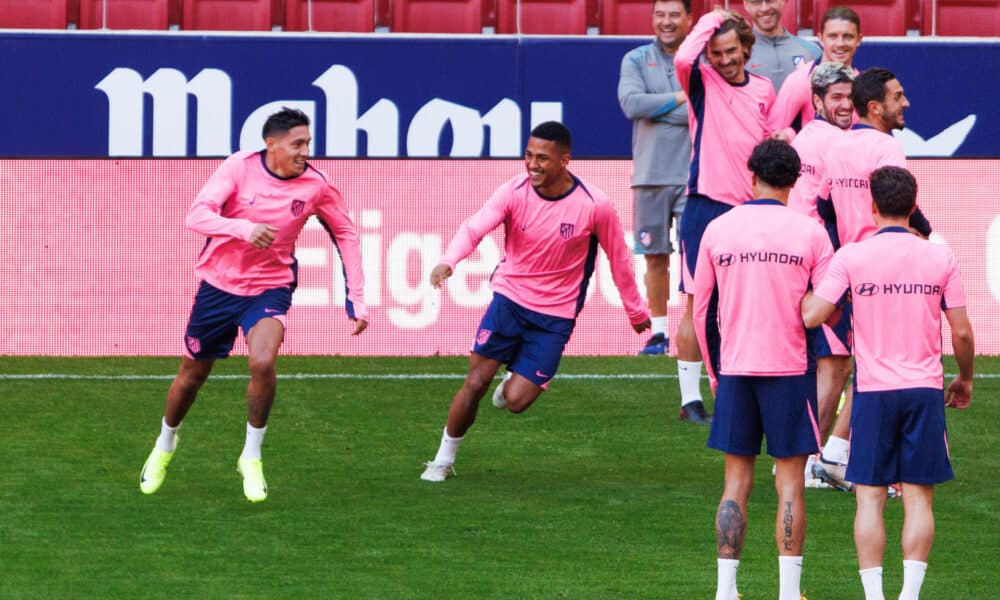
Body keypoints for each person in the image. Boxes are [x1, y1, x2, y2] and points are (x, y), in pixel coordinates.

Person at [138, 107, 368, 503]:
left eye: (308, 143)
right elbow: (196, 215)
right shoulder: (238, 168)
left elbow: (345, 232)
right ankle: (165, 444)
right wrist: (243, 229)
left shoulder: (316, 185)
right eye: (297, 143)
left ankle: (251, 455)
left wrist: (358, 298)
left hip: (270, 287)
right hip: (218, 286)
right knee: (191, 376)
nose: (304, 151)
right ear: (272, 144)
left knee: (262, 361)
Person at [419, 121, 650, 482]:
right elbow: (475, 228)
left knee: (516, 402)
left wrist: (635, 310)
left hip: (555, 317)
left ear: (565, 160)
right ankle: (442, 459)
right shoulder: (513, 191)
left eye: (542, 157)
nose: (532, 164)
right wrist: (448, 261)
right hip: (509, 301)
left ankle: (513, 382)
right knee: (475, 382)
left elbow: (619, 259)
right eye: (528, 155)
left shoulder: (595, 205)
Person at [802, 165, 974, 600]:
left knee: (870, 499)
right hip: (924, 390)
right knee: (919, 499)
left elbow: (813, 315)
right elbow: (963, 332)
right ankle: (910, 596)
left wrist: (801, 290)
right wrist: (966, 377)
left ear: (872, 207)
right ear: (914, 206)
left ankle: (875, 597)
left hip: (874, 393)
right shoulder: (939, 256)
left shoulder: (852, 257)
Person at [693, 140, 832, 600]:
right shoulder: (812, 233)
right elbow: (827, 309)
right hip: (791, 370)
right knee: (790, 481)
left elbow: (700, 315)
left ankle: (725, 591)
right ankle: (789, 593)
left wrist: (715, 374)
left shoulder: (718, 228)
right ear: (795, 182)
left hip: (735, 369)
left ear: (751, 176)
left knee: (736, 482)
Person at [809, 67, 934, 493]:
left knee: (869, 368)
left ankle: (837, 454)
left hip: (852, 268)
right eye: (898, 97)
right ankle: (847, 458)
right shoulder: (887, 147)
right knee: (888, 370)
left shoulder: (838, 146)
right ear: (876, 106)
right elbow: (901, 204)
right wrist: (927, 235)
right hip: (888, 267)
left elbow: (825, 207)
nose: (906, 104)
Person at [672, 8, 776, 424]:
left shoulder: (765, 89)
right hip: (705, 208)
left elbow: (770, 138)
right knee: (697, 303)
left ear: (747, 49)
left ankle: (738, 387)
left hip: (751, 211)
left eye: (731, 50)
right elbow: (683, 59)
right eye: (716, 53)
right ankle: (691, 399)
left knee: (745, 307)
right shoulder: (701, 81)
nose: (724, 59)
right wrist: (712, 17)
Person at [786, 62, 855, 487]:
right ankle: (810, 460)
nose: (845, 105)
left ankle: (816, 456)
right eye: (836, 98)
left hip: (802, 259)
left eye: (849, 97)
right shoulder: (836, 144)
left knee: (826, 364)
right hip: (822, 265)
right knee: (836, 364)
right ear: (816, 100)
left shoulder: (806, 137)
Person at [617, 0, 692, 359]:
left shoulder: (701, 59)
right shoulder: (634, 59)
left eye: (674, 14)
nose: (667, 21)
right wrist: (680, 97)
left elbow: (702, 110)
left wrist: (657, 107)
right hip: (650, 175)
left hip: (695, 176)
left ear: (689, 19)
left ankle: (697, 331)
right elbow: (632, 104)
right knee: (655, 258)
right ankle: (659, 334)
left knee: (697, 260)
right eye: (660, 15)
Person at [771, 6, 863, 137]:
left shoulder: (864, 84)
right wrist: (791, 136)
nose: (840, 43)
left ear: (858, 40)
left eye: (848, 36)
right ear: (821, 39)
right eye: (833, 36)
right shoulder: (800, 80)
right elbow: (772, 134)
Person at [743, 0, 821, 92]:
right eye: (756, 2)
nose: (765, 8)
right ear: (746, 5)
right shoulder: (739, 53)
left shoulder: (812, 51)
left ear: (782, 1)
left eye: (770, 1)